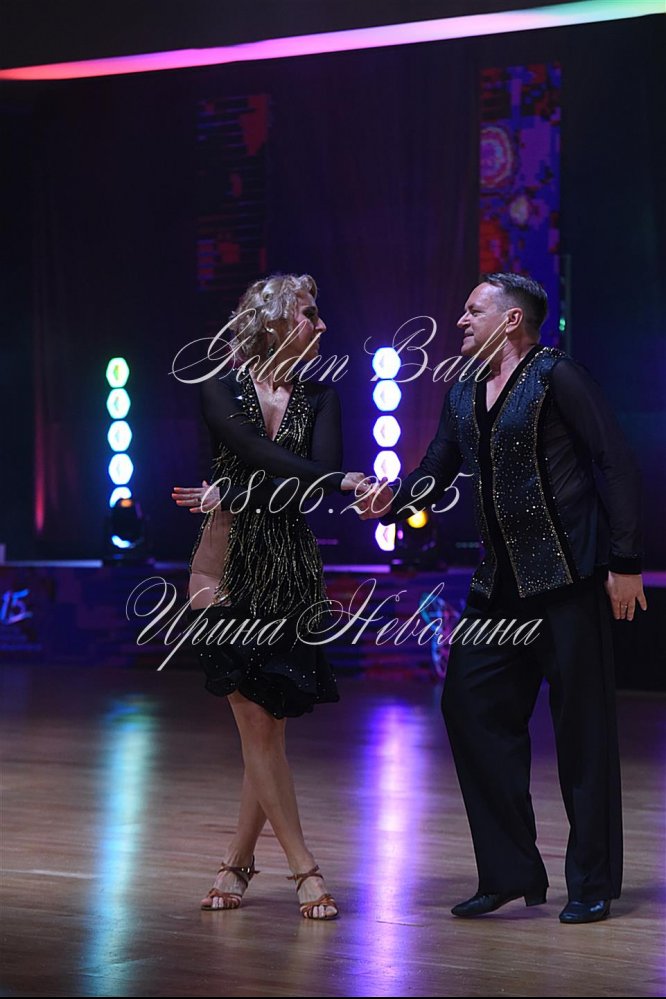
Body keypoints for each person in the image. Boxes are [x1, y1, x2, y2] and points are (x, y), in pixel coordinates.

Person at [356, 273, 646, 924]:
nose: (460, 320)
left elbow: (615, 461)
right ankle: (509, 871)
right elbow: (435, 471)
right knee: (467, 706)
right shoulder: (462, 391)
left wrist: (625, 561)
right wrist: (392, 503)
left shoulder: (556, 376)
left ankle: (591, 882)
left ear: (512, 320)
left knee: (583, 734)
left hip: (568, 580)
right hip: (498, 589)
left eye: (473, 310)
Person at [172, 273, 365, 920]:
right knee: (256, 725)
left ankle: (236, 861)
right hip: (223, 568)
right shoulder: (221, 385)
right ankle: (305, 869)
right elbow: (255, 450)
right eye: (310, 313)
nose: (321, 324)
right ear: (278, 320)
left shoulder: (322, 396)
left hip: (288, 572)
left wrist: (238, 490)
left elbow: (310, 485)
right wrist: (338, 480)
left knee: (268, 730)